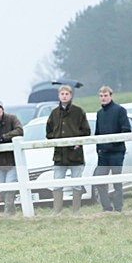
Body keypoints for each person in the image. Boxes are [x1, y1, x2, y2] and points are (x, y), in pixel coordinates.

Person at [46, 84, 91, 215]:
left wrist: (77, 142)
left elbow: (86, 131)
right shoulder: (54, 113)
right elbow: (48, 132)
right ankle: (57, 210)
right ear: (59, 96)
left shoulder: (79, 111)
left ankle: (76, 210)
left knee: (76, 183)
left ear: (70, 95)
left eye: (67, 94)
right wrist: (56, 138)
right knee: (57, 183)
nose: (64, 96)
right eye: (62, 94)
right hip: (59, 155)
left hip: (75, 154)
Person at [93, 86, 131, 212]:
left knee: (117, 181)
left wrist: (114, 144)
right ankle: (106, 207)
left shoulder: (120, 110)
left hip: (116, 152)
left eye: (105, 95)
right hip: (103, 154)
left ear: (110, 96)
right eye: (101, 96)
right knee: (99, 179)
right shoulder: (99, 113)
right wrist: (99, 149)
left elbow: (126, 129)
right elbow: (97, 133)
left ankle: (118, 207)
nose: (103, 98)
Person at [0, 99, 24, 215]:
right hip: (0, 161)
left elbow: (19, 131)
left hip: (12, 160)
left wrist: (3, 137)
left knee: (9, 187)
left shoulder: (12, 118)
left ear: (2, 109)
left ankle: (8, 212)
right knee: (2, 189)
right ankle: (11, 212)